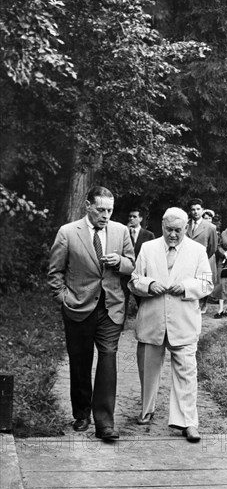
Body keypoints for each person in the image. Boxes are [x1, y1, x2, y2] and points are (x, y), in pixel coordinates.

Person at [48, 186, 135, 440]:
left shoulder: (121, 231)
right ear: (88, 206)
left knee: (108, 358)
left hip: (111, 307)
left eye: (110, 210)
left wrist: (119, 262)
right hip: (78, 307)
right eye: (100, 210)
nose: (106, 215)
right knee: (80, 361)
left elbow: (132, 264)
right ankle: (82, 413)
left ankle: (104, 423)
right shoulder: (68, 232)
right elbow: (55, 272)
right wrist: (64, 299)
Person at [129, 207, 213, 443]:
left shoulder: (197, 251)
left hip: (183, 321)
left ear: (186, 228)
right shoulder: (148, 248)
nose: (173, 235)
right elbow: (134, 281)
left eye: (178, 230)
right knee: (148, 368)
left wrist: (187, 287)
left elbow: (207, 284)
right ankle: (147, 410)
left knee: (187, 372)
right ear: (162, 227)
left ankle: (188, 421)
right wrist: (149, 284)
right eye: (168, 230)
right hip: (152, 320)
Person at [186, 198, 218, 314]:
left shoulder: (210, 227)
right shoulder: (185, 224)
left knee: (204, 282)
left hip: (205, 258)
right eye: (193, 209)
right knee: (190, 281)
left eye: (198, 209)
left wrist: (204, 258)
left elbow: (213, 246)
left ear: (202, 210)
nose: (195, 212)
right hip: (188, 259)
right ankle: (192, 303)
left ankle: (204, 303)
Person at [124, 208, 155, 310]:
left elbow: (151, 255)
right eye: (130, 216)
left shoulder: (148, 235)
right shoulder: (123, 233)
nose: (131, 219)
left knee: (141, 301)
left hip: (140, 272)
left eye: (134, 216)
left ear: (141, 219)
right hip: (126, 271)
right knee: (123, 299)